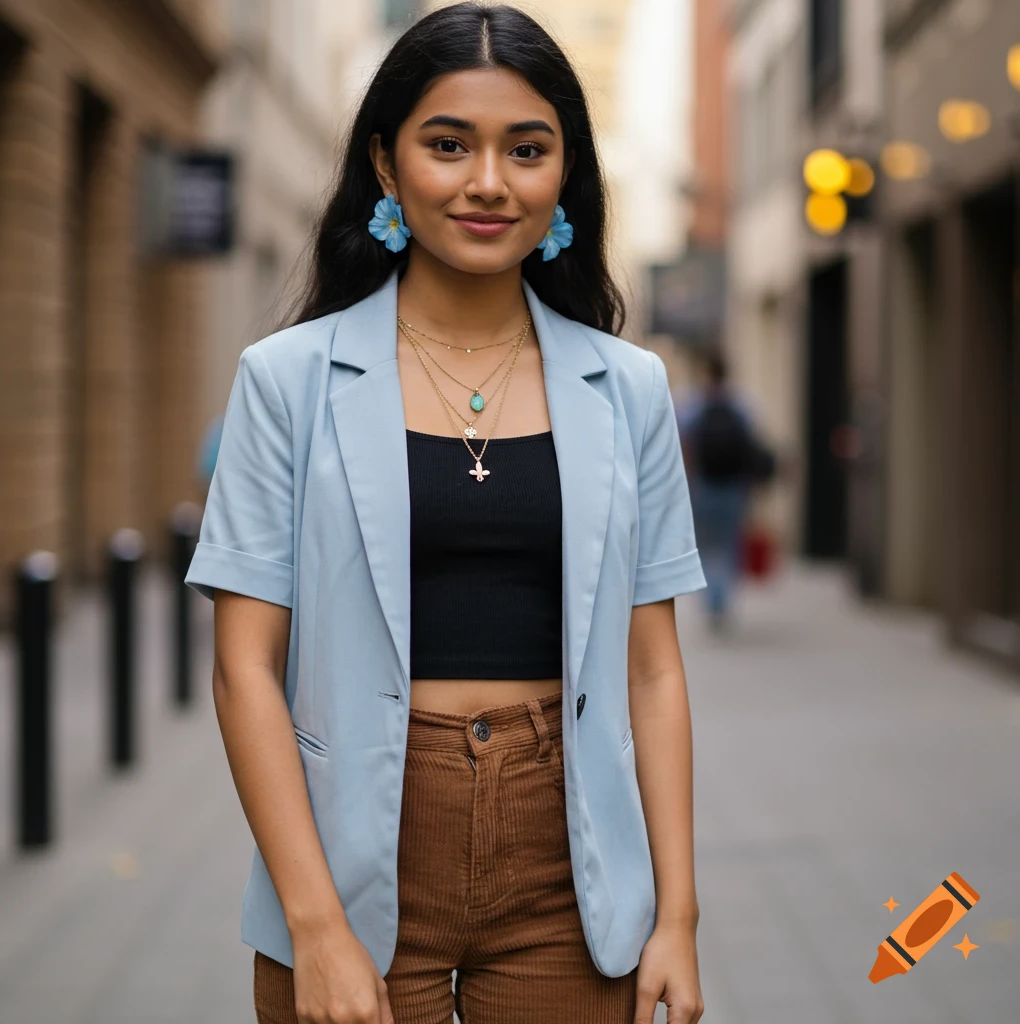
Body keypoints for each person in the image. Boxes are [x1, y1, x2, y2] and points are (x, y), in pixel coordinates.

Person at [184, 5, 707, 1022]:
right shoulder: (286, 380)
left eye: (527, 149)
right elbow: (244, 665)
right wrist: (315, 923)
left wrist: (677, 914)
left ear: (565, 176)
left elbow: (653, 666)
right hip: (349, 855)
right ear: (386, 164)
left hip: (570, 864)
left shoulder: (628, 387)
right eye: (448, 144)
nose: (487, 182)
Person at [676, 350, 770, 631]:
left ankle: (711, 599)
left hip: (702, 485)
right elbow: (753, 446)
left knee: (705, 543)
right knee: (729, 542)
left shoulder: (691, 403)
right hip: (733, 485)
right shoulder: (743, 404)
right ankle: (723, 598)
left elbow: (681, 444)